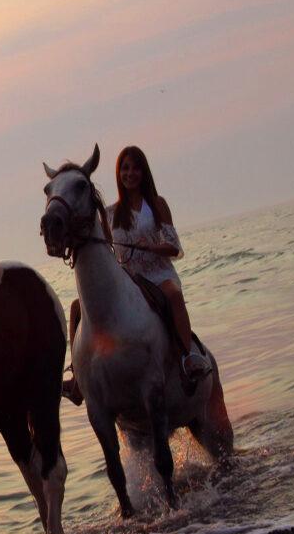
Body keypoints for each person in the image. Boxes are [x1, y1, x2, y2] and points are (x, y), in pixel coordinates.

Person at [63, 145, 211, 405]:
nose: (130, 173)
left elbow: (174, 246)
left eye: (135, 168)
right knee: (77, 307)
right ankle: (78, 378)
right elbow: (105, 251)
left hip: (157, 274)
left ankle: (187, 359)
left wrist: (151, 246)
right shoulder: (109, 213)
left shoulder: (157, 205)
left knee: (173, 295)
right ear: (119, 173)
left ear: (144, 172)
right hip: (128, 280)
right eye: (125, 168)